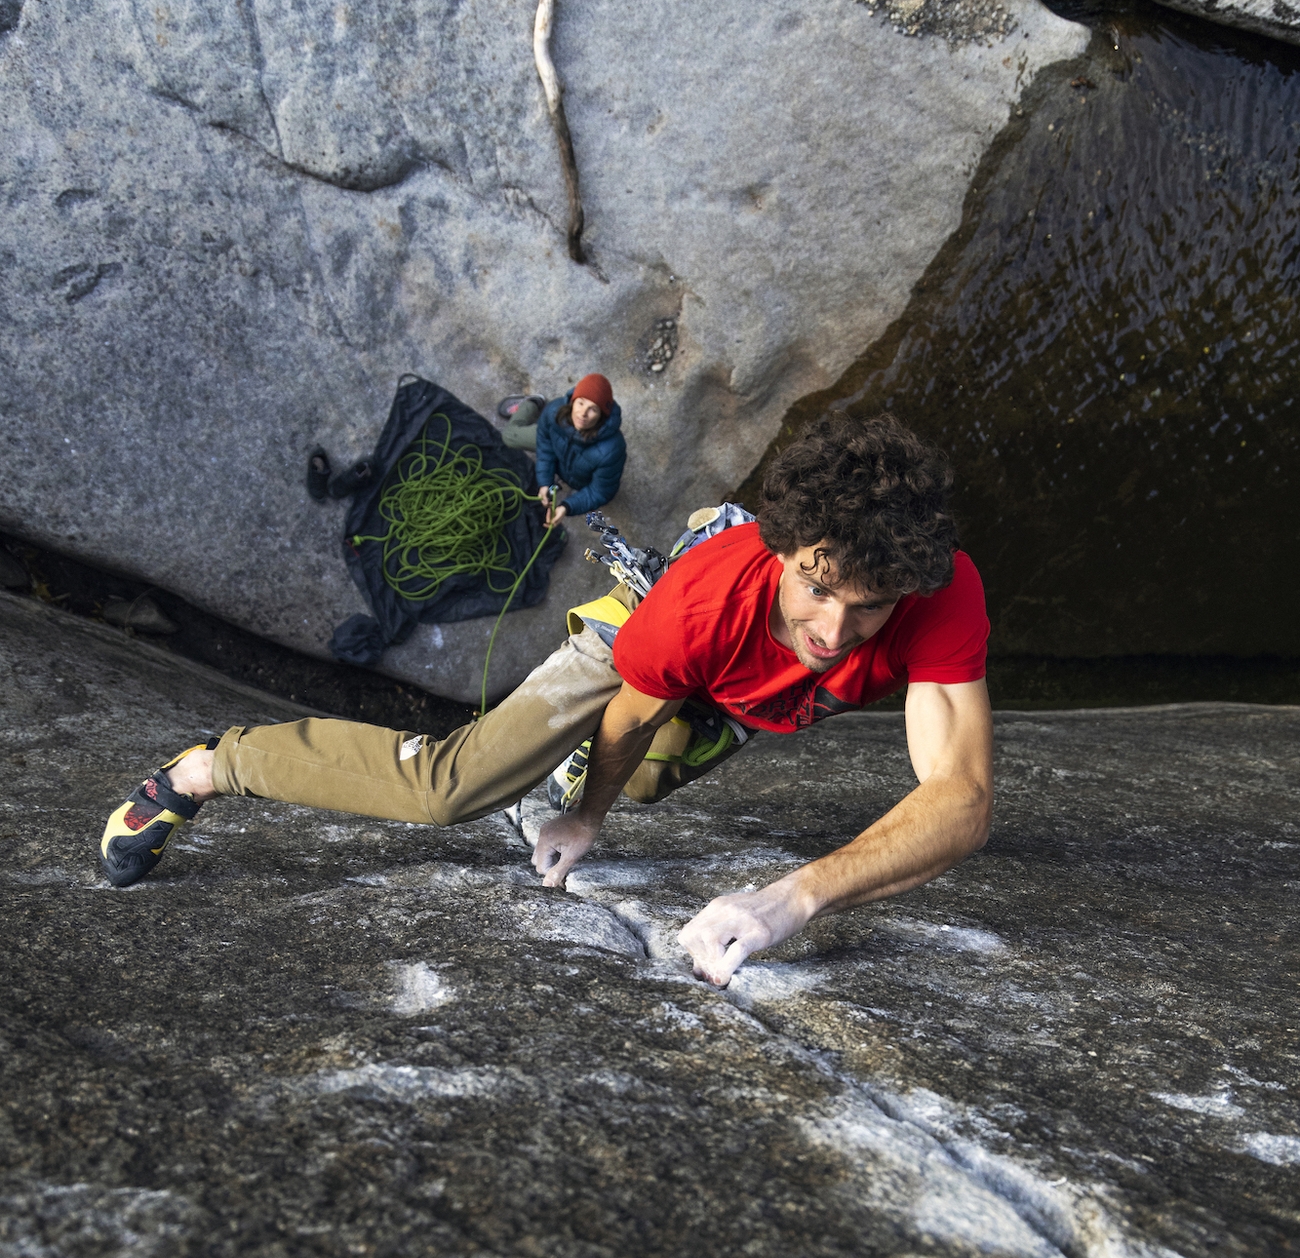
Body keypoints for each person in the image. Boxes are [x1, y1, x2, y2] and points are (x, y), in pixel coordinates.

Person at [99, 415, 993, 989]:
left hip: (731, 697)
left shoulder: (939, 592)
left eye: (867, 605)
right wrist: (582, 816)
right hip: (638, 647)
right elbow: (631, 714)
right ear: (784, 549)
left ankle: (580, 776)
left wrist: (789, 900)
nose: (834, 630)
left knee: (647, 782)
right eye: (815, 586)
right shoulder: (705, 603)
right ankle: (212, 765)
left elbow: (960, 801)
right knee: (451, 789)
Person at [532, 374, 627, 524]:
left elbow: (601, 491)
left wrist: (566, 506)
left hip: (578, 477)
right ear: (572, 401)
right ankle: (530, 404)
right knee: (510, 437)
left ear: (601, 415)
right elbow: (545, 449)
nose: (583, 414)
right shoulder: (553, 413)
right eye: (580, 403)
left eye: (593, 409)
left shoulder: (611, 450)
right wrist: (545, 482)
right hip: (561, 458)